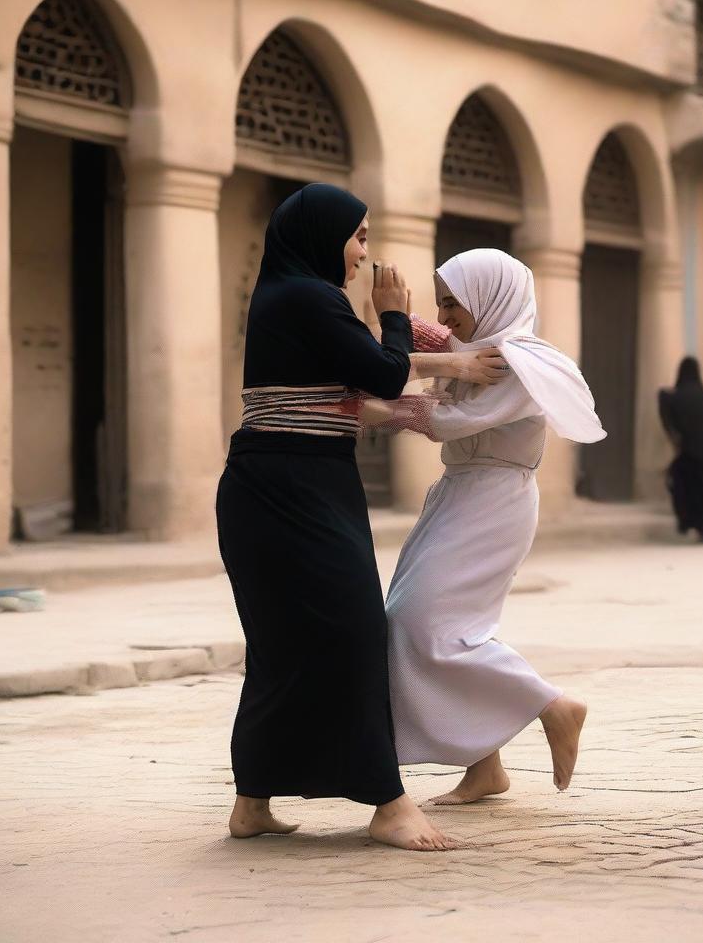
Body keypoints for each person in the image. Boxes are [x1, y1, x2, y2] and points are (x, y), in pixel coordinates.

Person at [216, 184, 503, 851]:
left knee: (285, 647)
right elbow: (378, 372)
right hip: (287, 490)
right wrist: (396, 314)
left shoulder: (294, 296)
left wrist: (437, 377)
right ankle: (389, 801)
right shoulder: (307, 297)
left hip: (296, 484)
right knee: (350, 635)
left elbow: (352, 382)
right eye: (360, 236)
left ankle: (252, 799)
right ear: (323, 235)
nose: (365, 254)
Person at [368, 248, 604, 806]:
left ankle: (552, 705)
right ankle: (485, 768)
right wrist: (395, 316)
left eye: (455, 303)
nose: (446, 316)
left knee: (422, 620)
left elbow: (453, 420)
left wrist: (374, 410)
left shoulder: (522, 362)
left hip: (495, 500)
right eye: (441, 303)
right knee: (439, 623)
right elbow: (452, 351)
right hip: (458, 495)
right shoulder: (483, 351)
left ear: (489, 300)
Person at [658, 357, 703, 543]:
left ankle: (693, 525)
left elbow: (671, 417)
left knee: (687, 490)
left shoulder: (679, 396)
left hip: (689, 454)